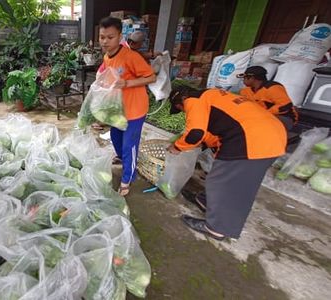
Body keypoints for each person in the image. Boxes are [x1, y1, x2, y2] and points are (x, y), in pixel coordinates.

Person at [167, 87, 287, 240]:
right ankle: (205, 202)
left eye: (181, 110)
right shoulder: (212, 94)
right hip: (269, 132)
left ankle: (217, 229)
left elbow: (196, 133)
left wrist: (177, 147)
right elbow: (217, 131)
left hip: (253, 138)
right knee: (220, 177)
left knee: (228, 184)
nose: (185, 113)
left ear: (181, 103)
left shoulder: (193, 100)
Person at [98, 17, 157, 196]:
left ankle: (127, 179)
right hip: (118, 109)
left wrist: (127, 84)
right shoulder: (107, 56)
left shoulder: (132, 56)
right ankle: (125, 162)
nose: (105, 41)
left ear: (119, 36)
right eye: (102, 37)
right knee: (116, 139)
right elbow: (106, 73)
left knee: (129, 146)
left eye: (110, 37)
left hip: (135, 110)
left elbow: (152, 77)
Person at [237, 66, 298, 131]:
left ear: (252, 78)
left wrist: (264, 114)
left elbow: (285, 105)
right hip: (258, 117)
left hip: (284, 117)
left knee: (262, 126)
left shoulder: (273, 88)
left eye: (244, 78)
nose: (243, 80)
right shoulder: (245, 91)